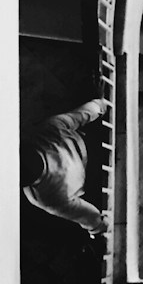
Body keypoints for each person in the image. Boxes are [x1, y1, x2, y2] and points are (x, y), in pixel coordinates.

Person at [22, 97, 110, 235]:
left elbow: (85, 214)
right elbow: (82, 114)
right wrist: (100, 105)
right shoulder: (46, 130)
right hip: (93, 143)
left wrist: (99, 226)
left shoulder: (43, 198)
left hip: (94, 180)